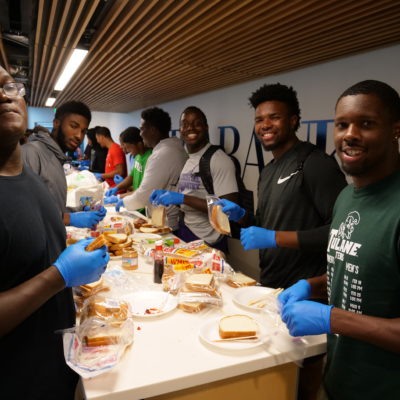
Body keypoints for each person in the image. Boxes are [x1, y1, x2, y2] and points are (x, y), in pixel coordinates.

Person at [218, 83, 347, 400]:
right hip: (271, 285)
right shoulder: (269, 169)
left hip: (309, 288)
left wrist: (274, 237)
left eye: (273, 117)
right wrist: (243, 219)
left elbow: (340, 233)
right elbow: (266, 226)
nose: (264, 125)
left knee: (305, 372)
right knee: (275, 369)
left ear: (293, 120)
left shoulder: (314, 164)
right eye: (259, 119)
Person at [279, 80, 400, 400]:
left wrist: (332, 318)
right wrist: (311, 285)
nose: (350, 134)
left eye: (367, 124)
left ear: (395, 130)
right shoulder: (347, 196)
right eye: (342, 124)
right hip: (339, 380)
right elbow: (359, 268)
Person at [0, 65, 110, 399]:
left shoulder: (29, 179)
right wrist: (60, 275)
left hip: (57, 366)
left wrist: (72, 233)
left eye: (8, 85)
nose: (4, 95)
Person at [150, 106, 238, 251]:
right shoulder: (189, 156)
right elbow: (193, 191)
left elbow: (228, 209)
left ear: (206, 127)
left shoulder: (219, 160)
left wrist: (183, 198)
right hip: (187, 231)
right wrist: (167, 195)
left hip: (209, 241)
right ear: (180, 131)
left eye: (197, 123)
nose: (190, 128)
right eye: (185, 124)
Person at [22, 101, 107, 229]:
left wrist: (82, 208)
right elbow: (23, 210)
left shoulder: (57, 158)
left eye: (83, 131)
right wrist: (69, 218)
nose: (79, 136)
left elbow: (53, 207)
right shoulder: (32, 152)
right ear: (56, 123)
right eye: (73, 126)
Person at [116, 107, 187, 230]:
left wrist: (122, 201)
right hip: (168, 218)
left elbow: (144, 195)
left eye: (142, 128)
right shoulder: (174, 148)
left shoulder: (162, 155)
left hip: (165, 222)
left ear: (153, 130)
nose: (140, 133)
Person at [104, 126, 152, 214]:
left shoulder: (150, 158)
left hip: (144, 206)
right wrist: (116, 187)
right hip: (134, 204)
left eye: (128, 147)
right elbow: (131, 176)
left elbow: (143, 191)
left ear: (139, 144)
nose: (126, 150)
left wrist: (119, 197)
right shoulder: (137, 156)